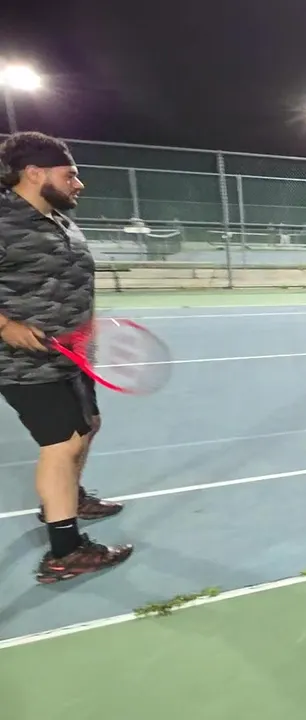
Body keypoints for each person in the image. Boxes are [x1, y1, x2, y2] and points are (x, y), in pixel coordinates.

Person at [0, 131, 133, 584]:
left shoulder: (59, 220)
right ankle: (65, 552)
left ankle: (68, 498)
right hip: (22, 361)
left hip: (71, 352)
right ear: (34, 173)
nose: (79, 183)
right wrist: (6, 326)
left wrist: (87, 334)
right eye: (70, 174)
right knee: (62, 444)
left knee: (88, 425)